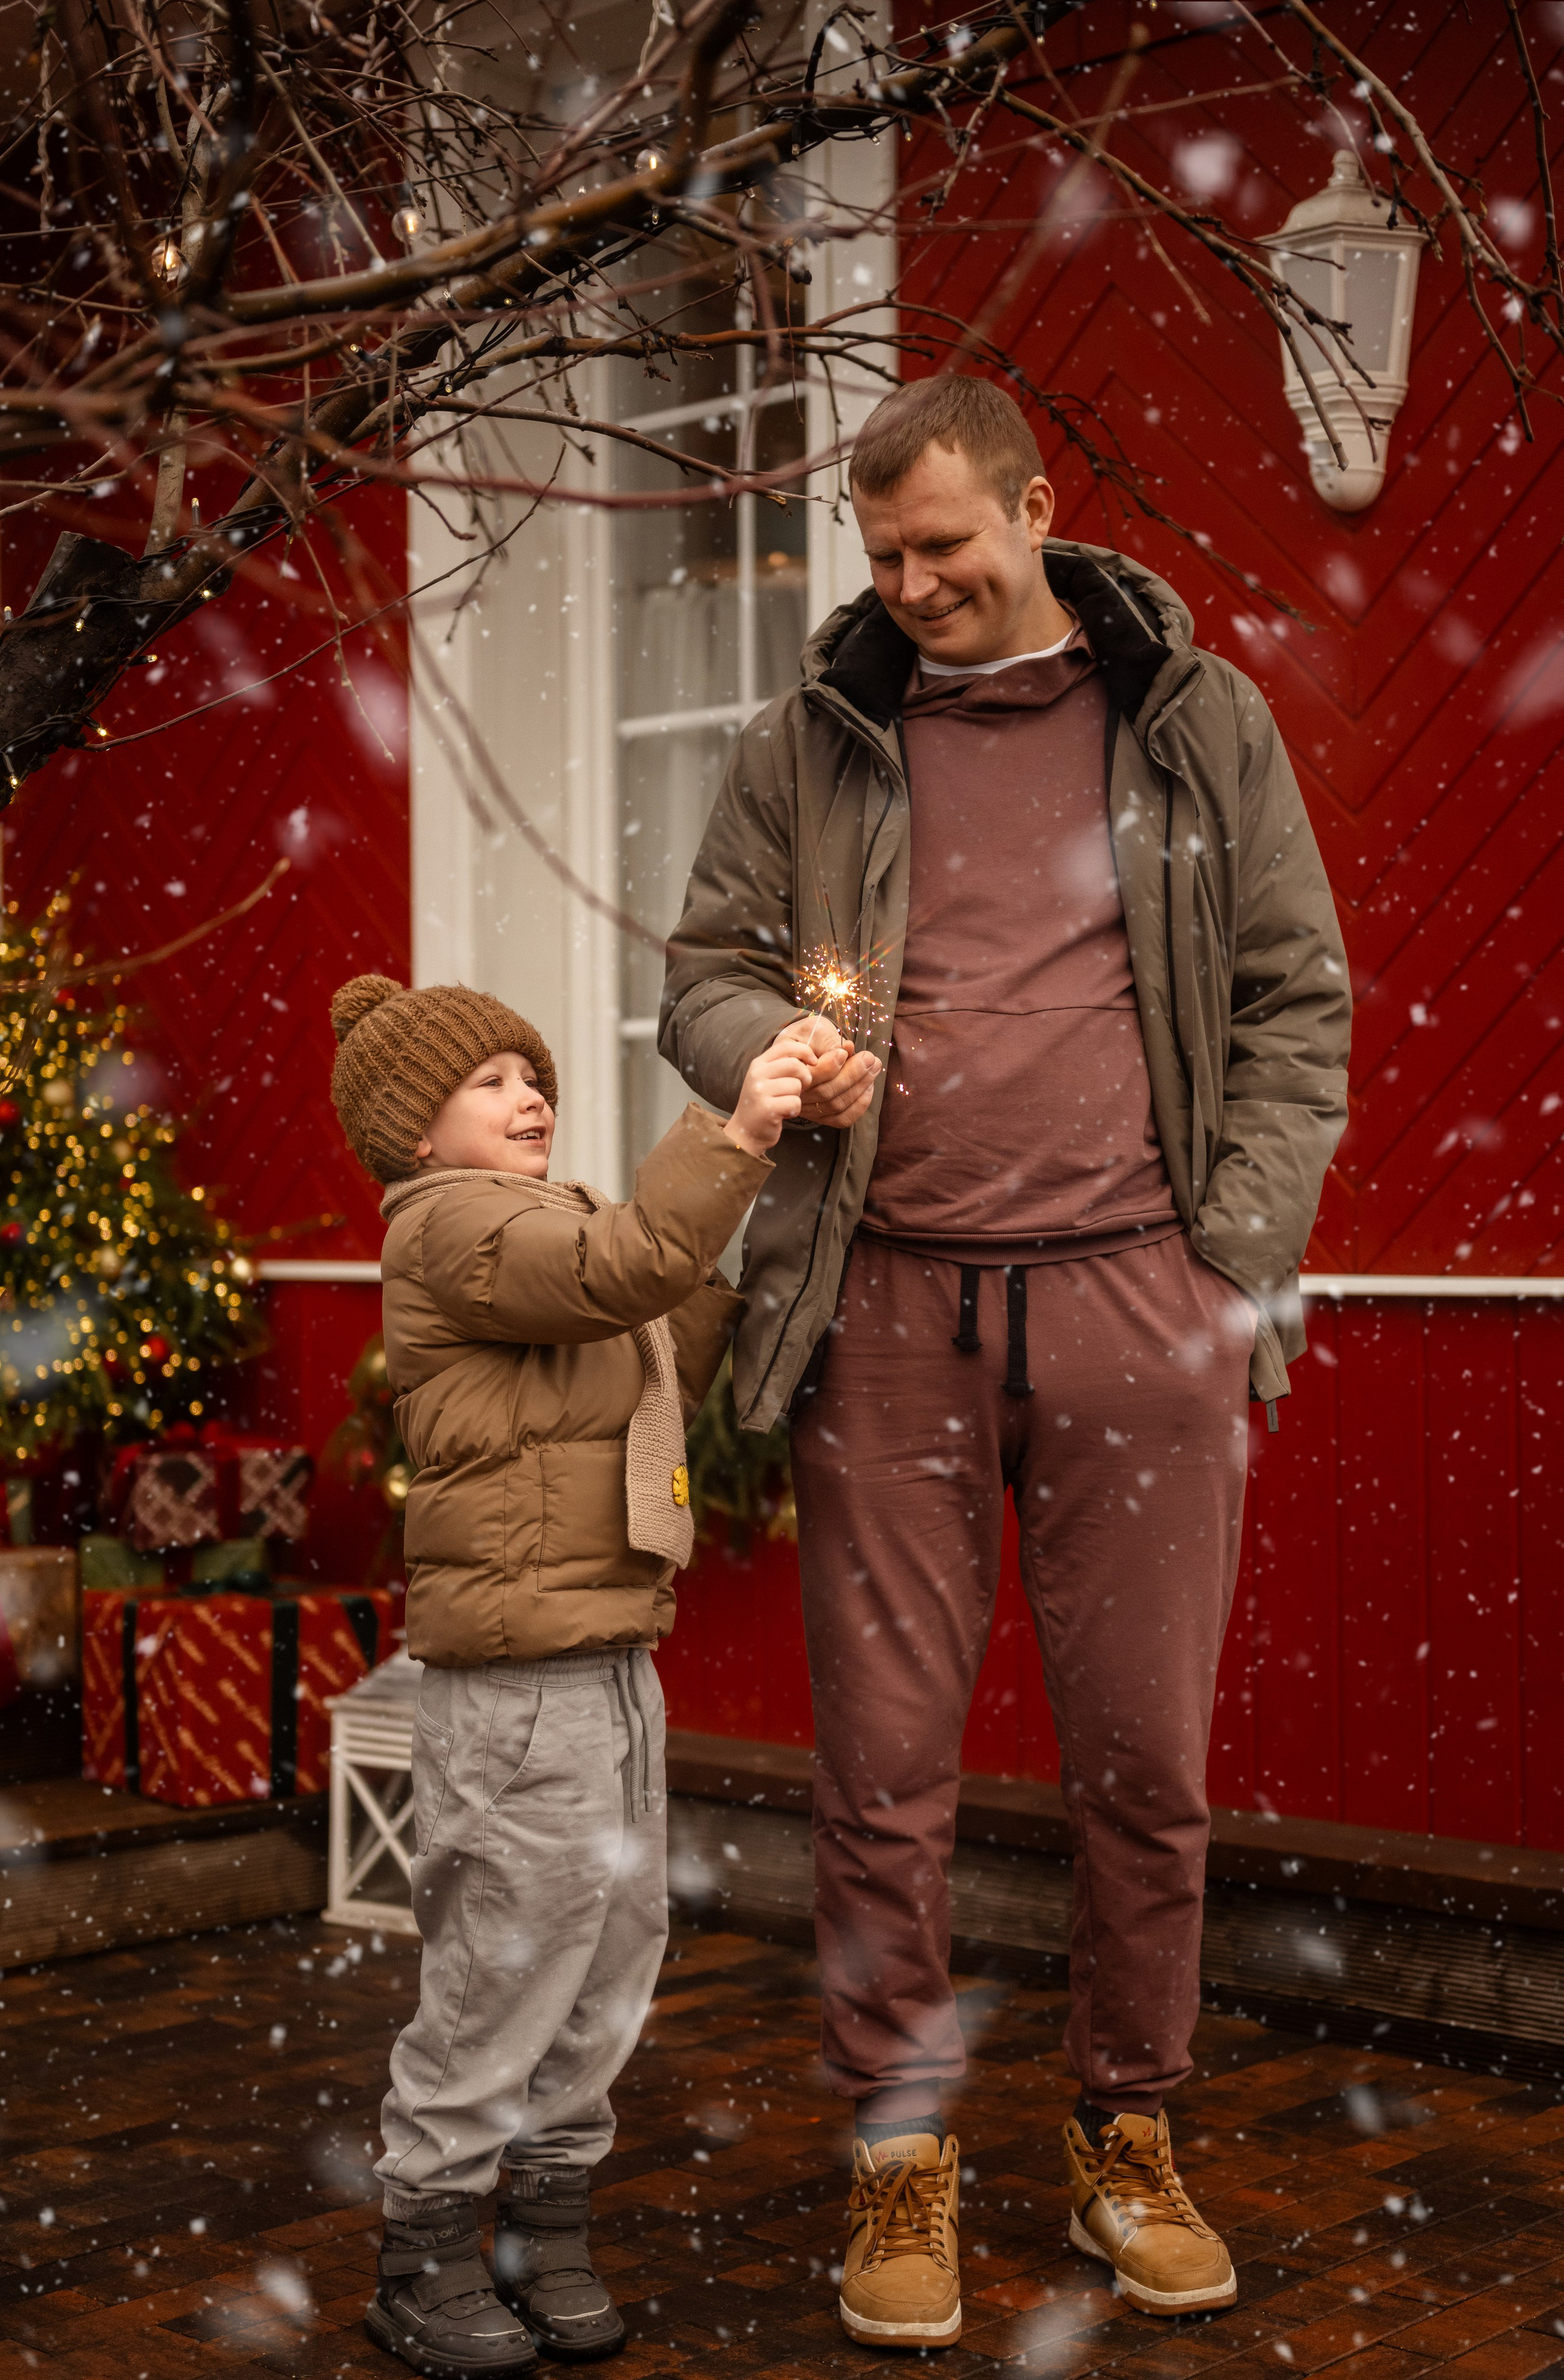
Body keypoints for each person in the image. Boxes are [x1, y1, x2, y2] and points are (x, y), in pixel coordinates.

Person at [660, 376, 1350, 2345]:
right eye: (882, 556)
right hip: (884, 1308)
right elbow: (702, 973)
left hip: (1146, 1303)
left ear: (1035, 507)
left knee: (1146, 1762)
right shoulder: (819, 741)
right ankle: (902, 2153)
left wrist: (1234, 1263)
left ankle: (1130, 2129)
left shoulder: (1195, 721)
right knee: (882, 1775)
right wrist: (763, 1060)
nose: (914, 585)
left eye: (943, 545)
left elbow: (1300, 996)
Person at [329, 973, 811, 2379]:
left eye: (529, 1072)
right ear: (415, 1132)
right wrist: (738, 1126)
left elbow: (655, 1335)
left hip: (606, 1660)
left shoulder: (550, 1229)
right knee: (502, 1965)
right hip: (517, 1684)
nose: (526, 1093)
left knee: (608, 1955)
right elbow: (622, 1272)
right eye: (487, 1081)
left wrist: (766, 1232)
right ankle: (421, 2257)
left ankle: (544, 2226)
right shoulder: (455, 1229)